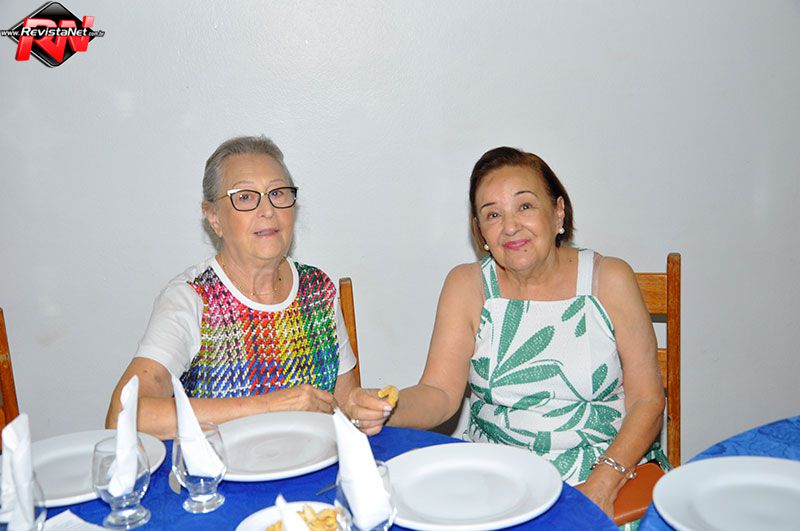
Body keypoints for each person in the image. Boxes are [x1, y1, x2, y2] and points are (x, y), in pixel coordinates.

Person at [346, 147, 668, 518]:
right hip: (497, 484)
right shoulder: (466, 285)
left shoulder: (609, 278)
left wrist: (602, 484)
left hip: (608, 475)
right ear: (480, 231)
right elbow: (440, 393)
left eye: (525, 206)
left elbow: (647, 400)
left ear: (558, 212)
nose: (510, 226)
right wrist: (385, 408)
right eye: (493, 214)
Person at [106, 135, 358, 439]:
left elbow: (346, 411)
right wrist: (270, 406)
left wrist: (364, 411)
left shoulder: (317, 290)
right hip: (224, 469)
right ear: (214, 217)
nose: (268, 210)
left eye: (277, 193)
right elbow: (123, 415)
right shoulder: (192, 298)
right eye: (246, 197)